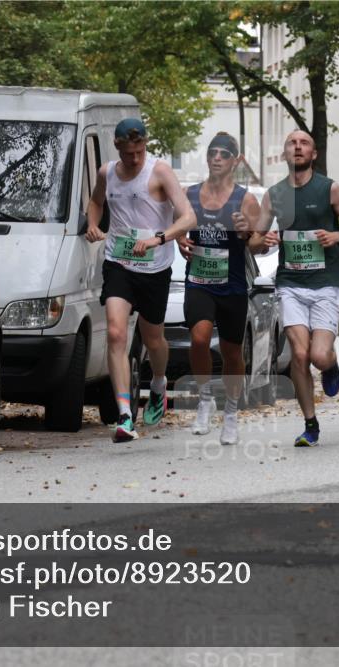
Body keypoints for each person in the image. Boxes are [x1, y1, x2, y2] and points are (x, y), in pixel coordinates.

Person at [86, 118, 196, 442]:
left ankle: (159, 383)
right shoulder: (107, 173)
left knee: (153, 340)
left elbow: (188, 215)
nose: (135, 159)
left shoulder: (159, 171)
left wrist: (160, 239)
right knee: (117, 333)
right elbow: (95, 201)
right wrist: (93, 224)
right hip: (118, 261)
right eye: (129, 153)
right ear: (117, 147)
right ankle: (124, 416)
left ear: (145, 144)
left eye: (140, 151)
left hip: (155, 267)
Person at [255, 130, 339, 447]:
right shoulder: (274, 195)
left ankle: (331, 366)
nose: (298, 147)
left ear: (313, 154)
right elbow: (252, 241)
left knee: (318, 355)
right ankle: (310, 424)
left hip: (325, 283)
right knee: (300, 355)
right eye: (292, 142)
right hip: (290, 283)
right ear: (285, 154)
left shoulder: (328, 189)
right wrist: (262, 241)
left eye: (304, 143)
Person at [178, 133, 264, 445]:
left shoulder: (245, 199)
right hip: (199, 281)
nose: (217, 157)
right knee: (199, 339)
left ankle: (230, 412)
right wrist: (179, 240)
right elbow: (177, 225)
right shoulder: (189, 195)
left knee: (231, 351)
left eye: (224, 154)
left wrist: (247, 233)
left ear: (235, 160)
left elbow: (257, 244)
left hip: (232, 284)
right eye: (213, 152)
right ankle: (205, 399)